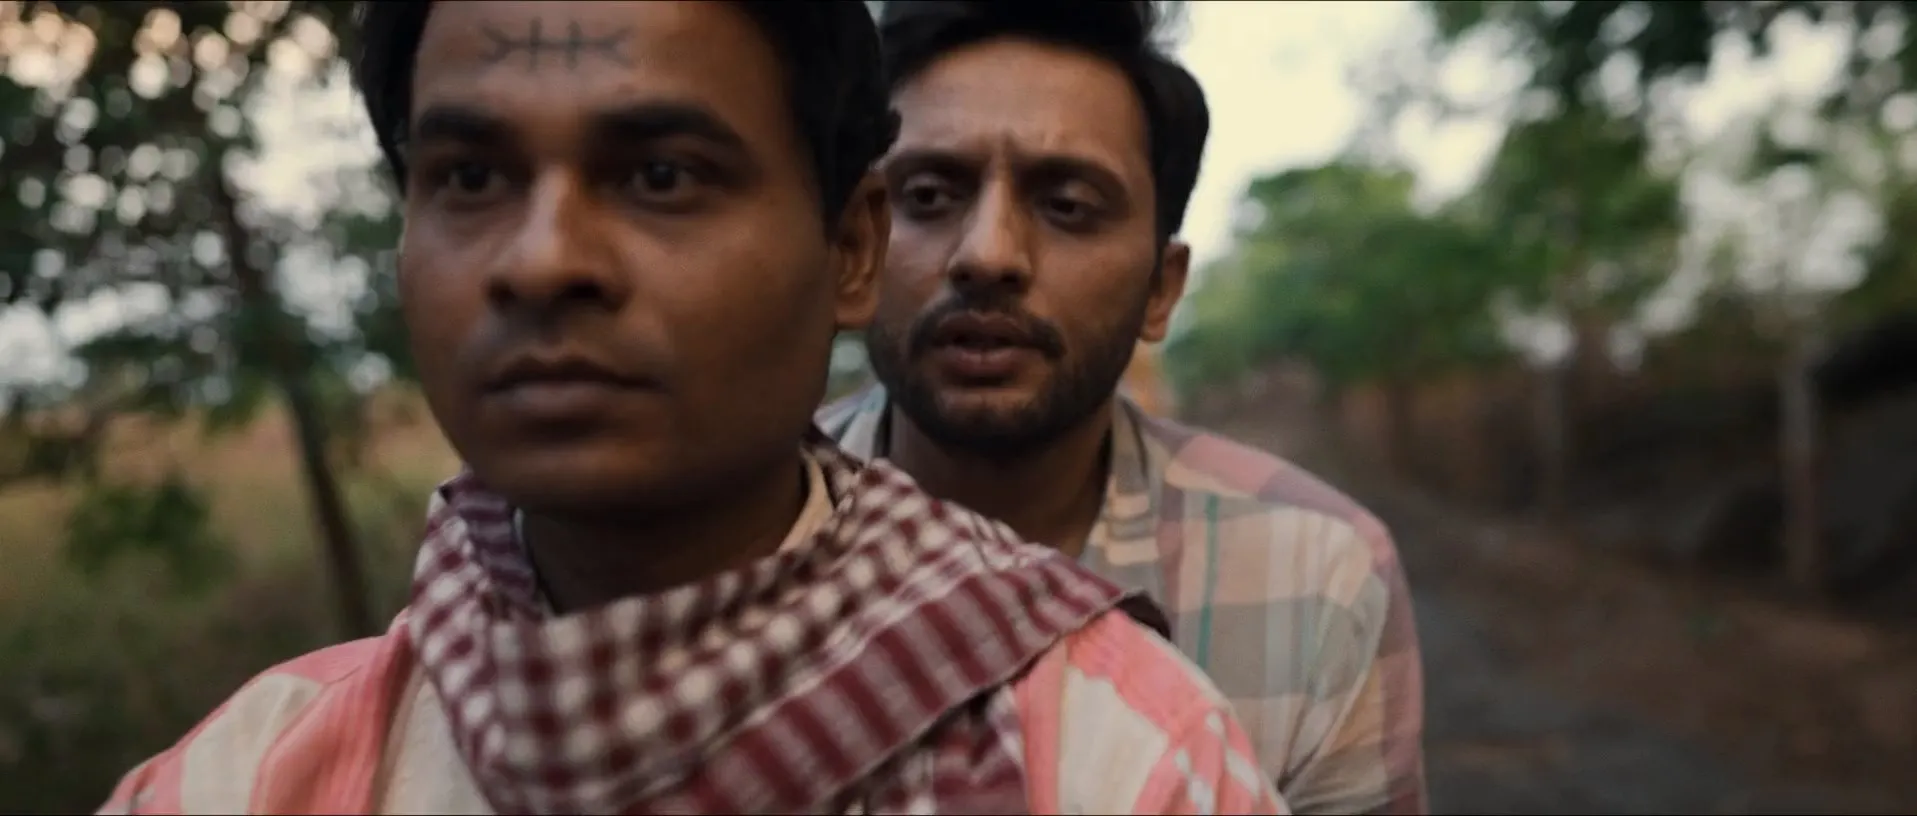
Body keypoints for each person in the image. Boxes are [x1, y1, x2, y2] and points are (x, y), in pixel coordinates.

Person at [94, 2, 1291, 814]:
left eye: (661, 175)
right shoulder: (251, 774)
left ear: (851, 249)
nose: (542, 260)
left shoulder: (1125, 761)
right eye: (471, 176)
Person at [818, 2, 1429, 813]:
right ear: (854, 248)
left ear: (1160, 289)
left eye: (1068, 205)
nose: (988, 254)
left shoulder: (1316, 575)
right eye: (927, 195)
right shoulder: (727, 533)